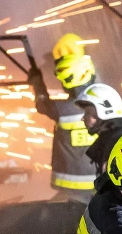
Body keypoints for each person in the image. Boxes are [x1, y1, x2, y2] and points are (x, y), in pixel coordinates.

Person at [29, 35, 101, 200]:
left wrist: (37, 81)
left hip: (68, 187)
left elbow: (42, 104)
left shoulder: (62, 109)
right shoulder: (105, 104)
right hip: (99, 184)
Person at [75, 83, 122, 175]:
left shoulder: (119, 145)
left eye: (88, 113)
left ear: (104, 112)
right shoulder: (110, 141)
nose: (83, 118)